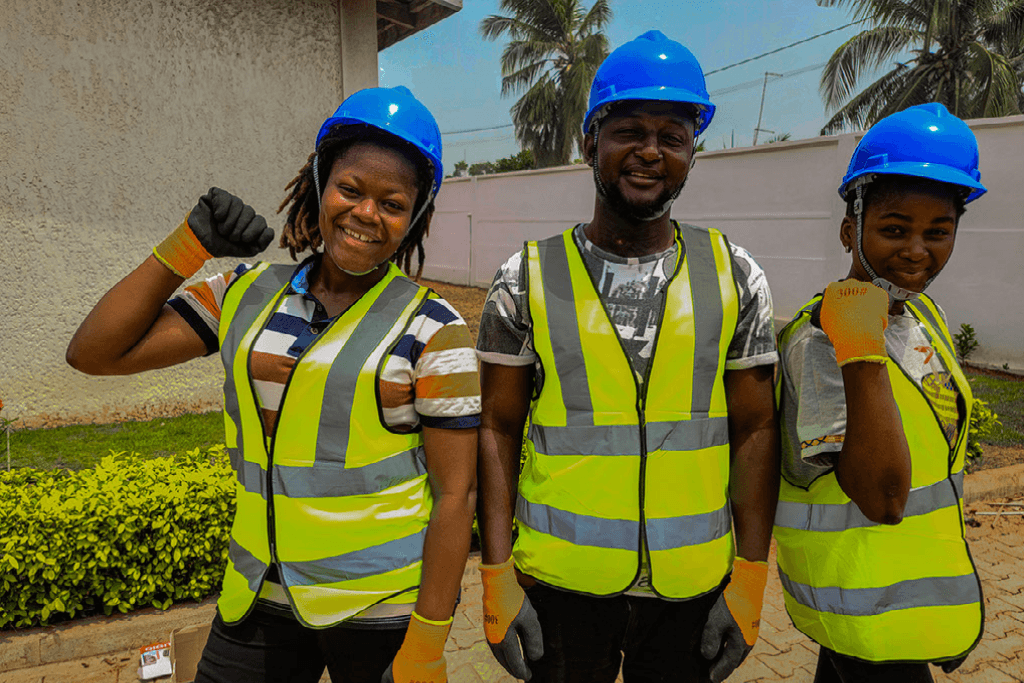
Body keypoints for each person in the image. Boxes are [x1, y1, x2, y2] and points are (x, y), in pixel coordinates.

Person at [66, 86, 479, 683]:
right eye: (350, 189)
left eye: (393, 203)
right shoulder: (244, 292)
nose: (367, 213)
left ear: (415, 217)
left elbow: (456, 495)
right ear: (319, 183)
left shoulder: (434, 329)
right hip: (257, 595)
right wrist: (188, 245)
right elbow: (95, 353)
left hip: (382, 609)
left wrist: (430, 640)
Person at [474, 30, 781, 683]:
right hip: (560, 586)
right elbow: (497, 427)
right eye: (629, 131)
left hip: (691, 588)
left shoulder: (736, 275)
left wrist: (751, 577)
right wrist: (496, 574)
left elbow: (756, 429)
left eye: (673, 136)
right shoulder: (524, 278)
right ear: (591, 142)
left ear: (692, 153)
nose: (650, 151)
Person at [773, 102, 987, 683]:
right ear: (852, 230)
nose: (917, 250)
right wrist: (859, 347)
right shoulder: (821, 342)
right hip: (865, 610)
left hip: (908, 598)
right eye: (894, 229)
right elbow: (885, 499)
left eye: (938, 232)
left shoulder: (925, 316)